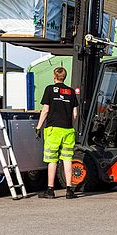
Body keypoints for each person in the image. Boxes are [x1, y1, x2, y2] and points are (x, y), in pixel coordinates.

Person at [36, 66, 79, 199]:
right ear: (64, 77)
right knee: (67, 159)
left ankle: (50, 190)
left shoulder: (50, 89)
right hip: (68, 130)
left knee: (52, 159)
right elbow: (75, 114)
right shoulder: (71, 92)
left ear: (55, 77)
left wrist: (38, 127)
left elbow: (45, 111)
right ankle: (69, 190)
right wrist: (69, 123)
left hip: (53, 130)